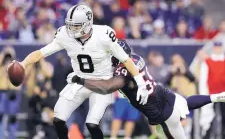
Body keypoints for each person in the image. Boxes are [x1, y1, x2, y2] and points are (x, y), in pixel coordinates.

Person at [14, 4, 149, 139]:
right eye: (70, 25)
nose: (72, 28)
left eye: (76, 25)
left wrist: (140, 82)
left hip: (101, 82)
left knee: (92, 124)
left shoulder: (103, 35)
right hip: (78, 80)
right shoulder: (64, 35)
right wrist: (23, 64)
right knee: (58, 119)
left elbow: (126, 60)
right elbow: (40, 53)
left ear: (88, 23)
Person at [69, 39, 225, 139]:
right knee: (184, 102)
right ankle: (217, 97)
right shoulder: (135, 58)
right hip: (162, 93)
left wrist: (82, 80)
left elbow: (108, 87)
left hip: (158, 111)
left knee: (170, 133)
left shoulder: (122, 71)